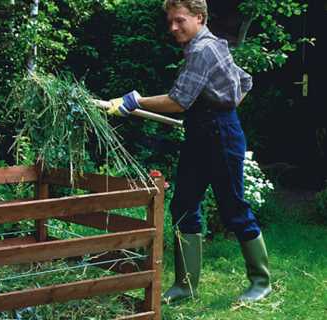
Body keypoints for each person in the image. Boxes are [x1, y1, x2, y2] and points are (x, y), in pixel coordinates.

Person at [107, 0, 272, 304]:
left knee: (234, 208)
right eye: (170, 21)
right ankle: (185, 286)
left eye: (179, 20)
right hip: (201, 132)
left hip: (220, 135)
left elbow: (179, 101)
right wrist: (222, 105)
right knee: (183, 206)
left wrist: (136, 100)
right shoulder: (211, 45)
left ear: (199, 17)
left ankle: (261, 282)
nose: (173, 28)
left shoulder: (202, 50)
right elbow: (245, 81)